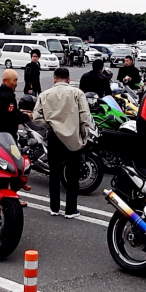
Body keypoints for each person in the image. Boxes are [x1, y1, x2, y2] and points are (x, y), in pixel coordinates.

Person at [32, 67, 90, 218]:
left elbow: (36, 117)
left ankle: (54, 208)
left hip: (54, 137)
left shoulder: (45, 94)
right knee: (72, 175)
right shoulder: (77, 93)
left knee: (54, 173)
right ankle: (70, 210)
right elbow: (85, 117)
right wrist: (84, 136)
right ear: (68, 79)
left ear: (54, 79)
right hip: (73, 137)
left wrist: (49, 125)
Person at [0, 69, 31, 140]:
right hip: (8, 136)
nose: (16, 84)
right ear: (5, 81)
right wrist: (27, 117)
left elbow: (3, 113)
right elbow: (11, 119)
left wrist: (19, 111)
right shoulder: (9, 97)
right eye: (14, 80)